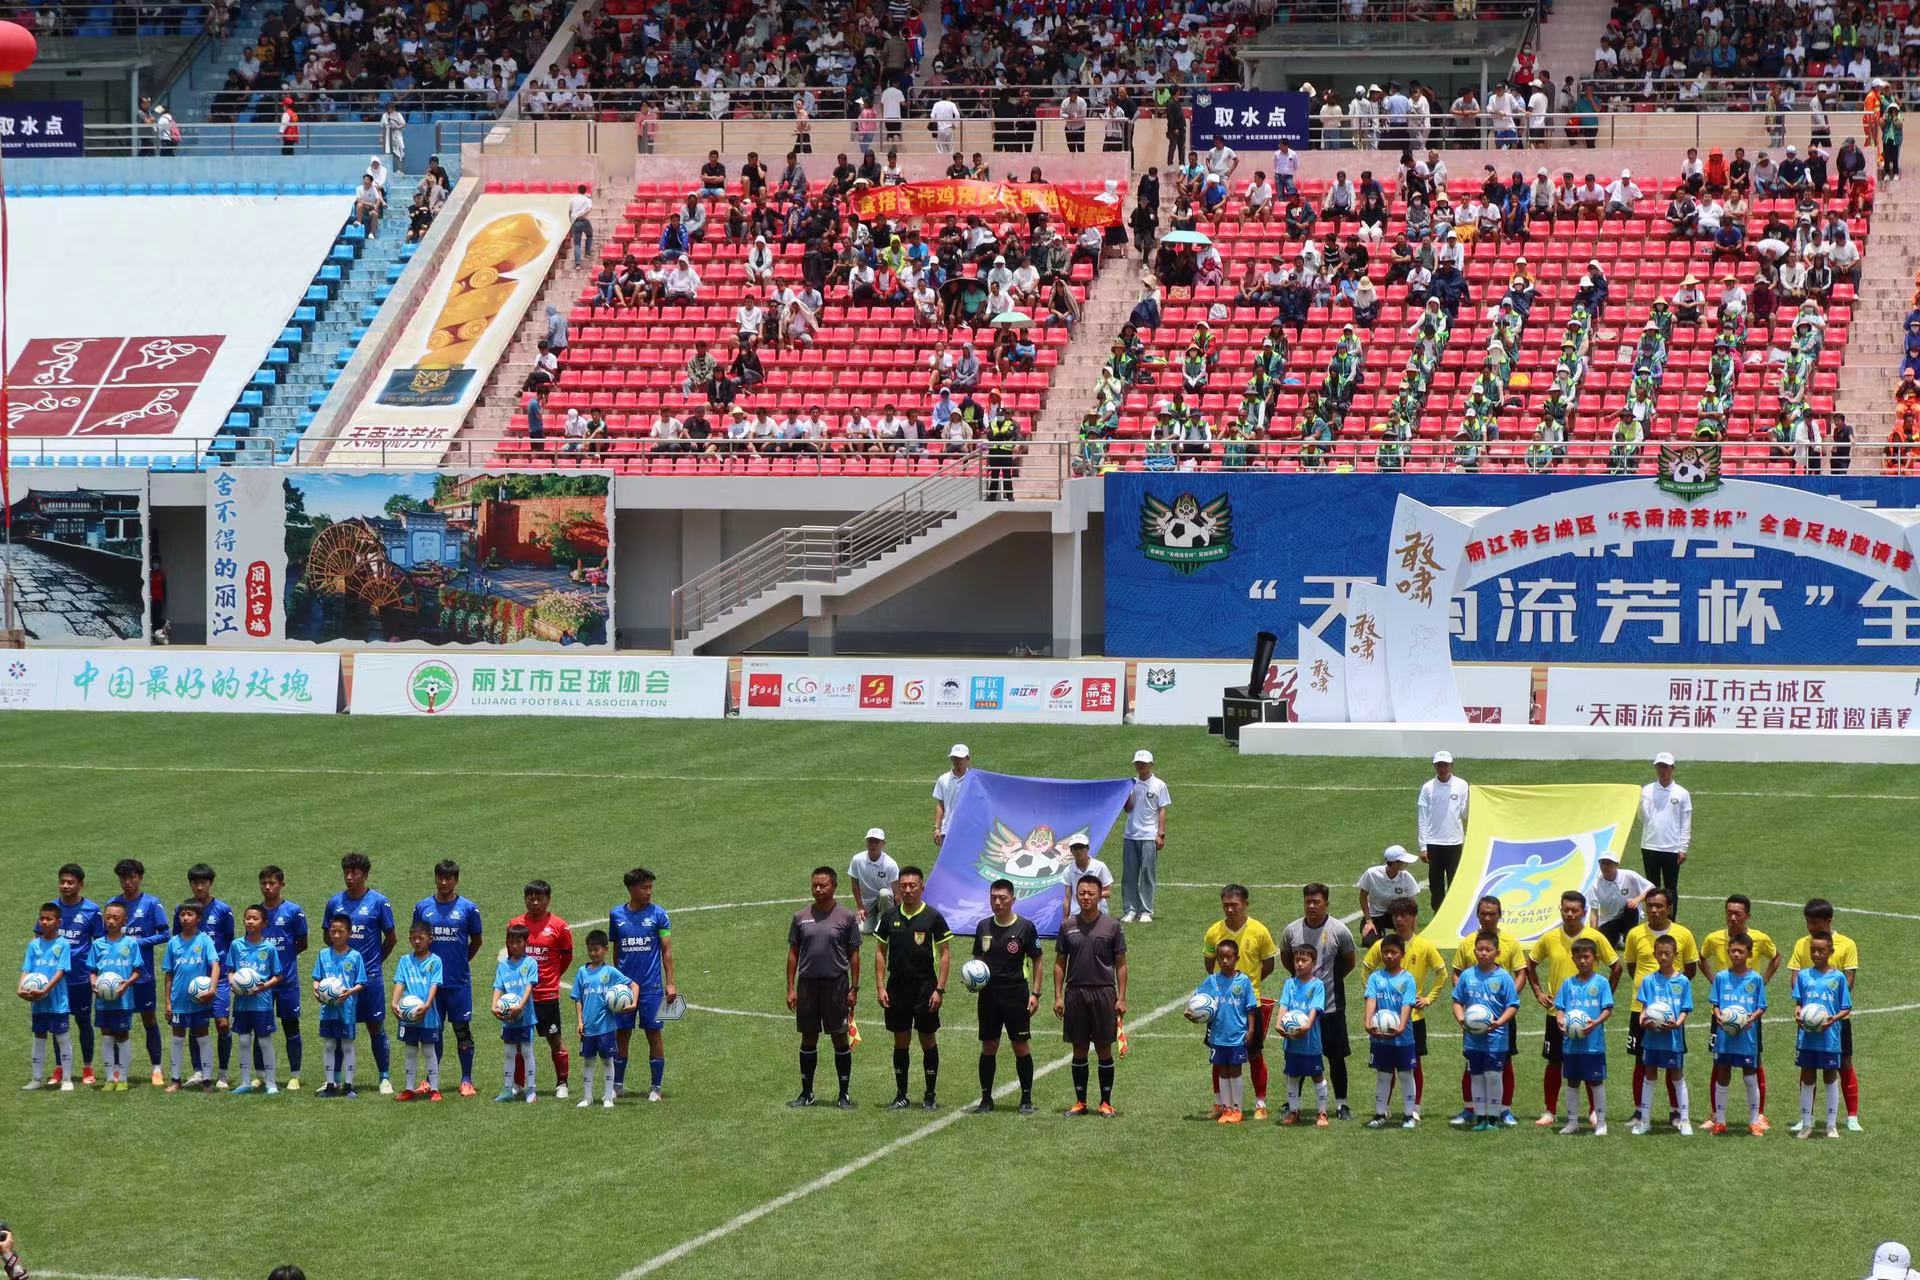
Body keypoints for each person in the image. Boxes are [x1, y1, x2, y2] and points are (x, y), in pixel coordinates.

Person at [1525, 891, 1622, 1127]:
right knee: (1554, 1062)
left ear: (1584, 912)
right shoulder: (1549, 938)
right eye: (1565, 909)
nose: (1569, 914)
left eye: (1574, 910)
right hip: (1557, 1015)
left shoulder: (1594, 937)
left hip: (1588, 1018)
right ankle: (1549, 1111)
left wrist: (1603, 997)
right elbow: (1530, 964)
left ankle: (1592, 1110)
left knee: (1588, 1061)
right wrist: (1538, 991)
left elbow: (1616, 967)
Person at [1359, 898, 1449, 1114]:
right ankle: (1385, 1107)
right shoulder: (1383, 944)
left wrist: (1428, 998)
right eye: (1396, 916)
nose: (1399, 920)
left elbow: (1442, 973)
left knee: (1413, 1063)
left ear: (1413, 918)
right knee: (1385, 1065)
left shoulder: (1424, 946)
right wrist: (1375, 997)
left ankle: (1414, 1108)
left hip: (1413, 1019)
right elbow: (1366, 970)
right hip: (1386, 1018)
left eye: (1405, 915)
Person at [873, 865, 951, 1110]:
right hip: (897, 989)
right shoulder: (890, 917)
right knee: (901, 1041)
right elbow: (880, 953)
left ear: (921, 888)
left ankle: (930, 1095)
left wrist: (939, 989)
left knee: (927, 1039)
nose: (907, 890)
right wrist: (879, 986)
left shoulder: (933, 917)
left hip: (925, 989)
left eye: (912, 886)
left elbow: (945, 954)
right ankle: (901, 1095)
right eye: (904, 886)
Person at [1620, 888, 1699, 1127]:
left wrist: (1668, 998)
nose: (1654, 910)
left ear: (1670, 908)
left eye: (1659, 906)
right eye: (1650, 905)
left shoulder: (1683, 934)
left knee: (1672, 1062)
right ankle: (1639, 1111)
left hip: (1672, 1010)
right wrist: (1651, 999)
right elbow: (1632, 967)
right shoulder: (1635, 934)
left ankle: (1676, 1112)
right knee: (1640, 1060)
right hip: (1641, 1007)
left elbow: (1690, 969)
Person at [1281, 883, 1358, 1119]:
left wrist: (1324, 987)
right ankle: (1293, 1104)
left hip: (1332, 1006)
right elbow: (1286, 959)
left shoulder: (1339, 930)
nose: (1311, 906)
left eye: (1317, 902)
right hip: (1300, 1009)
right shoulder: (1292, 931)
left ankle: (1341, 1104)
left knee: (1336, 1056)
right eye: (1308, 902)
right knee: (1299, 1054)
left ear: (1326, 903)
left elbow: (1349, 961)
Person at [1448, 895, 1525, 1127]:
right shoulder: (1468, 942)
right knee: (1473, 1065)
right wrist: (1469, 1004)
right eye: (1483, 913)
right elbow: (1457, 972)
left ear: (1500, 915)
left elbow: (1521, 972)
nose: (1488, 917)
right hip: (1474, 1017)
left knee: (1504, 1063)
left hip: (1500, 1017)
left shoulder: (1510, 943)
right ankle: (1472, 1108)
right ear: (1477, 915)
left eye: (1492, 913)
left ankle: (1503, 1110)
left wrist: (1507, 999)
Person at [1203, 885, 1279, 1119]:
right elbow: (1209, 965)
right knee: (1219, 1053)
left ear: (1245, 904)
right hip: (1220, 1006)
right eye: (1226, 904)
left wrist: (1248, 988)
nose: (1230, 909)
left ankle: (1260, 1103)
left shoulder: (1259, 931)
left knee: (1254, 1054)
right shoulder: (1214, 932)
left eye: (1234, 904)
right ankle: (1220, 1104)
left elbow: (1269, 964)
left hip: (1249, 1004)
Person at [787, 867, 861, 1109]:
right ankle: (807, 1093)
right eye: (814, 885)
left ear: (834, 887)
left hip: (836, 985)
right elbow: (793, 954)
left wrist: (854, 987)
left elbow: (854, 955)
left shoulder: (846, 917)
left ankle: (843, 1094)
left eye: (823, 885)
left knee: (840, 1037)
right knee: (808, 1038)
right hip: (807, 984)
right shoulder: (800, 917)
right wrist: (790, 988)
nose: (818, 889)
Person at [323, 852, 396, 1095]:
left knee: (375, 1025)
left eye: (355, 873)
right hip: (340, 982)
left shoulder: (379, 902)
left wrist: (372, 965)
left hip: (371, 979)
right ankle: (334, 1080)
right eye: (346, 872)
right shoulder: (335, 903)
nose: (349, 877)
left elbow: (391, 938)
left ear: (365, 875)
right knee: (340, 1029)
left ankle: (384, 1078)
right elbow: (327, 936)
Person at [1055, 874, 1127, 1117]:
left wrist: (1121, 997)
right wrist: (1058, 995)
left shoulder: (1112, 926)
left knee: (1104, 1047)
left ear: (1099, 896)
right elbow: (1059, 963)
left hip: (1103, 993)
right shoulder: (1067, 926)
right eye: (1082, 893)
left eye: (1091, 894)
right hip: (1075, 993)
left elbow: (1121, 963)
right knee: (1079, 1048)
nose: (1086, 897)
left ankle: (1105, 1102)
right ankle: (1080, 1102)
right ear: (1076, 894)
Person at [1788, 898, 1862, 1130]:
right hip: (1808, 1018)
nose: (1810, 927)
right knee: (1807, 1065)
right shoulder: (1802, 943)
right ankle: (1806, 1117)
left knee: (1844, 1062)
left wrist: (1825, 1011)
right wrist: (1804, 1009)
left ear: (1828, 921)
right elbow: (1796, 978)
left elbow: (1848, 981)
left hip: (1836, 1019)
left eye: (1815, 923)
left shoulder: (1847, 944)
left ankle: (1851, 1116)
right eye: (1808, 922)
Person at [971, 878, 1043, 1114]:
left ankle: (1026, 1099)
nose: (997, 902)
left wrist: (1035, 993)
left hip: (1016, 994)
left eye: (1002, 898)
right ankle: (985, 1099)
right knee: (989, 1045)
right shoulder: (983, 927)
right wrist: (973, 978)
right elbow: (978, 960)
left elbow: (1037, 959)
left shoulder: (1025, 927)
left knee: (1020, 1045)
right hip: (989, 996)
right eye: (993, 898)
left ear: (1013, 899)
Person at [410, 859, 482, 1097]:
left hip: (458, 982)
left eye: (448, 878)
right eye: (440, 877)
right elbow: (417, 939)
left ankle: (466, 1080)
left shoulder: (468, 909)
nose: (443, 882)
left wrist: (460, 961)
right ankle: (431, 1080)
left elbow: (476, 941)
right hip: (430, 985)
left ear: (456, 880)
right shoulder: (422, 907)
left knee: (462, 1030)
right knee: (433, 1032)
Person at [608, 868, 675, 1103]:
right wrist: (617, 981)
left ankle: (656, 1087)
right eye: (644, 888)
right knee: (622, 1034)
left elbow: (666, 951)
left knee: (654, 1034)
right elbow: (616, 950)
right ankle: (617, 1085)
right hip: (625, 988)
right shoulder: (616, 915)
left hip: (651, 988)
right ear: (631, 889)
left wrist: (670, 983)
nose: (648, 892)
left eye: (650, 887)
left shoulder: (659, 915)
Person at [508, 880, 574, 1100]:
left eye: (540, 898)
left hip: (547, 995)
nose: (535, 902)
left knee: (554, 1038)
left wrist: (553, 976)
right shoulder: (515, 924)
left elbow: (566, 956)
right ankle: (519, 1083)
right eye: (531, 898)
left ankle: (562, 1083)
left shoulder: (559, 926)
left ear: (548, 899)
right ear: (525, 898)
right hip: (521, 997)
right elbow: (512, 957)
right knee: (519, 1040)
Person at [107, 858, 170, 1087]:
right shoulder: (112, 904)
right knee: (116, 1023)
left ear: (140, 878)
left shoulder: (152, 904)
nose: (127, 882)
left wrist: (138, 943)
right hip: (115, 976)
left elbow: (165, 934)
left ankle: (156, 1068)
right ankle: (116, 1070)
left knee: (148, 1019)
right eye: (123, 878)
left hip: (142, 976)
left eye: (131, 877)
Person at [174, 865, 235, 1088]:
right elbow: (178, 940)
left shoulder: (223, 910)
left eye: (204, 882)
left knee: (221, 1023)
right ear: (190, 884)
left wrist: (227, 971)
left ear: (211, 883)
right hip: (193, 978)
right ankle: (198, 1071)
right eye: (195, 882)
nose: (200, 886)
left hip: (218, 978)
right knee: (195, 1023)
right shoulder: (183, 910)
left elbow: (230, 941)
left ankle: (223, 1073)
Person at [1631, 933, 1695, 1136]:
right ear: (1654, 954)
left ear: (1675, 954)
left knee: (1677, 1076)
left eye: (1667, 953)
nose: (1663, 957)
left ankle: (1684, 1120)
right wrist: (1643, 1020)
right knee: (1649, 1076)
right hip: (1651, 1039)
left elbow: (1685, 1008)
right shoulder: (1648, 981)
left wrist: (1677, 1023)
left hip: (1673, 1039)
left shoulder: (1683, 981)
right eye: (1660, 953)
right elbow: (1644, 1007)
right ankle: (1645, 1121)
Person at [1793, 932, 1853, 1140]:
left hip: (1830, 1038)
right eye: (1813, 950)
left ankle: (1830, 1125)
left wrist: (1833, 1018)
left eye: (1821, 950)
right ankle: (1807, 1124)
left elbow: (1846, 1007)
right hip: (1807, 1038)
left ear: (1830, 951)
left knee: (1830, 1078)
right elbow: (1799, 1001)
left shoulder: (1838, 978)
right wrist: (1798, 1011)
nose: (1816, 953)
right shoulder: (1804, 976)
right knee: (1807, 1078)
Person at [1552, 938, 1615, 1135]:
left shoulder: (1602, 982)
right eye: (1578, 957)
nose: (1583, 961)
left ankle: (1601, 1122)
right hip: (1571, 1044)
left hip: (1593, 1044)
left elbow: (1607, 1009)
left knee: (1595, 1081)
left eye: (1586, 957)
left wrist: (1595, 1023)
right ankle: (1572, 1122)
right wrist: (1560, 1022)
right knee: (1572, 1081)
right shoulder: (1568, 983)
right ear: (1573, 959)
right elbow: (1559, 1009)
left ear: (1594, 958)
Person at [1192, 938, 1258, 1124]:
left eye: (1229, 957)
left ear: (1236, 958)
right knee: (1222, 1071)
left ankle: (1237, 1109)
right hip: (1218, 1036)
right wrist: (1191, 1013)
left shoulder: (1243, 981)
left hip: (1237, 1035)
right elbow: (1197, 1001)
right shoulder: (1212, 980)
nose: (1225, 961)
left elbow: (1251, 1008)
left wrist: (1251, 1029)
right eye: (1221, 957)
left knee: (1235, 1071)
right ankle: (1226, 1109)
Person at [46, 864, 101, 1086]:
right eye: (63, 881)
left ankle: (88, 1067)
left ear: (80, 884)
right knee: (57, 1023)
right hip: (56, 979)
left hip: (81, 977)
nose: (66, 886)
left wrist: (95, 973)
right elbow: (40, 939)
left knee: (83, 1021)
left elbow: (100, 944)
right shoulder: (51, 909)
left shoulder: (92, 910)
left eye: (70, 882)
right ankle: (59, 1068)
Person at [1707, 934, 1767, 1136]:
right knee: (1723, 1075)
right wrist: (1718, 1016)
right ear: (1728, 952)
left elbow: (1761, 1006)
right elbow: (1715, 1004)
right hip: (1725, 1037)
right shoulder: (1721, 977)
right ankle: (1720, 1121)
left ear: (1749, 954)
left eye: (1741, 951)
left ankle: (1754, 1121)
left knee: (1750, 1077)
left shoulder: (1756, 979)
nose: (1736, 954)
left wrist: (1751, 1018)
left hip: (1747, 1038)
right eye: (1733, 950)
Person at [568, 929, 634, 1110]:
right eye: (590, 949)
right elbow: (578, 998)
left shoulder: (610, 972)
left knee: (607, 1061)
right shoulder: (582, 972)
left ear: (605, 949)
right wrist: (580, 1022)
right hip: (588, 1028)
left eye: (596, 949)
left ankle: (607, 1097)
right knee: (588, 1061)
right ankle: (587, 1097)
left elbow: (632, 984)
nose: (593, 953)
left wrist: (632, 1003)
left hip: (606, 1028)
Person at [256, 866, 308, 1091]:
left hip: (286, 982)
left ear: (281, 885)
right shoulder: (256, 912)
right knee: (261, 1028)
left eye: (272, 883)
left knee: (290, 1026)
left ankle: (294, 1075)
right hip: (262, 984)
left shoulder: (293, 911)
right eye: (264, 883)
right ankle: (260, 1074)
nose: (268, 887)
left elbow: (302, 942)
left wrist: (282, 962)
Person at [161, 899, 219, 1093]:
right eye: (182, 914)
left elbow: (215, 965)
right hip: (179, 1001)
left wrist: (212, 988)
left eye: (190, 914)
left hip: (200, 1001)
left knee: (203, 1037)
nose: (185, 918)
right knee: (177, 1039)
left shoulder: (204, 940)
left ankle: (207, 1080)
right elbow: (168, 974)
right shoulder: (173, 942)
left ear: (199, 918)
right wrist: (168, 1001)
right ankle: (175, 1079)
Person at [1362, 934, 1420, 1129]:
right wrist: (1368, 1022)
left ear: (1402, 954)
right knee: (1383, 1075)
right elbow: (1371, 1000)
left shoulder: (1408, 979)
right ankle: (1380, 1114)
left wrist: (1401, 1027)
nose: (1389, 956)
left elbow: (1407, 1005)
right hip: (1380, 1038)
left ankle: (1408, 1115)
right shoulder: (1375, 978)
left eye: (1393, 952)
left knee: (1405, 1075)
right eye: (1385, 952)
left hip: (1403, 1039)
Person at [225, 904, 283, 1095]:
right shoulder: (236, 945)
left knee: (265, 1042)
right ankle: (245, 1081)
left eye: (255, 918)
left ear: (264, 923)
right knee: (243, 1040)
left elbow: (278, 975)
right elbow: (230, 970)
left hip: (262, 1003)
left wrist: (263, 986)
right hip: (242, 1004)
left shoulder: (269, 948)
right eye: (247, 917)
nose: (250, 921)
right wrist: (234, 983)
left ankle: (271, 1082)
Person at [87, 901, 141, 1090]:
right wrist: (94, 982)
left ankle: (123, 1078)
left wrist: (127, 983)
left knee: (122, 1036)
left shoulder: (131, 944)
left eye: (115, 918)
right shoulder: (97, 944)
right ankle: (110, 1078)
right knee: (107, 1037)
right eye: (107, 917)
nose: (110, 921)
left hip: (123, 1000)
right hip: (102, 1001)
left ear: (124, 921)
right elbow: (92, 970)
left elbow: (137, 970)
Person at [20, 903, 73, 1092]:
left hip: (58, 1001)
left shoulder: (63, 944)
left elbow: (60, 971)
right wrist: (21, 988)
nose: (44, 922)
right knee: (39, 1037)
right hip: (39, 1003)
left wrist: (45, 990)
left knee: (62, 1038)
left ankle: (66, 1079)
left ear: (58, 922)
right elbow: (26, 970)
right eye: (42, 918)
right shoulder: (34, 945)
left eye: (49, 919)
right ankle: (36, 1078)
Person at [312, 916, 367, 1097]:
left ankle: (349, 1085)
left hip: (347, 1010)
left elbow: (361, 983)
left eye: (340, 931)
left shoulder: (355, 956)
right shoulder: (323, 954)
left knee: (347, 1046)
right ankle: (330, 1084)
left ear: (349, 933)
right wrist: (317, 990)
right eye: (332, 931)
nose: (336, 934)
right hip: (327, 1010)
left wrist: (349, 992)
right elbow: (317, 979)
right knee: (328, 1045)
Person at [1275, 944, 1329, 1125]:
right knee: (1292, 1075)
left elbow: (1315, 1008)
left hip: (1310, 1042)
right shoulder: (1289, 984)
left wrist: (1306, 1027)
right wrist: (1278, 1023)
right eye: (1296, 960)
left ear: (1313, 963)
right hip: (1291, 1042)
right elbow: (1284, 1005)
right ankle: (1293, 1111)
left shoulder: (1318, 985)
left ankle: (1322, 1113)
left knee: (1317, 1075)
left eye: (1303, 960)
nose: (1299, 964)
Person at [390, 921, 443, 1102]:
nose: (417, 941)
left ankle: (434, 1088)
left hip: (427, 1016)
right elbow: (399, 983)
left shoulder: (435, 961)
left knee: (429, 1050)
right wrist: (394, 1002)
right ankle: (409, 1088)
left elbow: (434, 984)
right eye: (414, 938)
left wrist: (427, 1004)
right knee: (410, 1051)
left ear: (430, 939)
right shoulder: (405, 960)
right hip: (408, 1016)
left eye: (421, 938)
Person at [1120, 749, 1170, 924]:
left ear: (1151, 764)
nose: (1141, 766)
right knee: (1129, 875)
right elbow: (1128, 809)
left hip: (1149, 835)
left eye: (1144, 763)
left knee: (1148, 874)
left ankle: (1146, 910)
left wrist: (1160, 834)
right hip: (1131, 835)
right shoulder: (1130, 784)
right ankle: (1130, 910)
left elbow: (1162, 809)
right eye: (1138, 763)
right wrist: (1126, 794)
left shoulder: (1159, 785)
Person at [492, 922, 540, 1103]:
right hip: (508, 1018)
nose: (514, 945)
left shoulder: (530, 963)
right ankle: (507, 1088)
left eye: (518, 942)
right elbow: (498, 986)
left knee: (527, 1051)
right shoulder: (503, 966)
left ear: (525, 942)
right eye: (511, 942)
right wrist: (494, 1005)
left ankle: (531, 1090)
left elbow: (529, 986)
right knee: (509, 1052)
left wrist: (520, 1005)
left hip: (525, 1016)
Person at [1639, 752, 1692, 913]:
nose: (1662, 770)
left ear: (1672, 769)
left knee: (1671, 889)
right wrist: (1640, 805)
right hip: (1650, 845)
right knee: (1651, 887)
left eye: (1666, 767)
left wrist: (1683, 847)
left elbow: (1686, 822)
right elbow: (1643, 818)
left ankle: (1670, 922)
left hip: (1672, 848)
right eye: (1659, 766)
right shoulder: (1646, 790)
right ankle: (1653, 920)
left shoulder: (1682, 793)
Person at [1416, 750, 1468, 910]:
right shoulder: (1427, 788)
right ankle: (1437, 915)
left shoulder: (1462, 785)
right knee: (1436, 885)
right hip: (1434, 843)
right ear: (1434, 766)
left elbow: (1465, 813)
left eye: (1445, 765)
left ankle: (1454, 914)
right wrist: (1423, 846)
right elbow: (1422, 817)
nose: (1442, 768)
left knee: (1455, 882)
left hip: (1455, 842)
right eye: (1439, 765)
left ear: (1451, 765)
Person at [1356, 845, 1420, 941]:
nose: (1406, 863)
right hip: (1375, 915)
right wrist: (1369, 921)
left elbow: (1412, 908)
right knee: (1370, 941)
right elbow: (1363, 897)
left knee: (1404, 940)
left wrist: (1414, 936)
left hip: (1397, 915)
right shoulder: (1371, 874)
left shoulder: (1407, 877)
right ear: (1393, 863)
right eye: (1403, 861)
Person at [1589, 851, 1651, 946]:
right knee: (1607, 943)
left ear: (1616, 864)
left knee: (1631, 907)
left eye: (1609, 863)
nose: (1605, 867)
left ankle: (1629, 938)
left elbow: (1651, 887)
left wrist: (1637, 900)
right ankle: (1618, 939)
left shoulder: (1630, 875)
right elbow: (1594, 912)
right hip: (1608, 920)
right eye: (1602, 863)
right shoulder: (1595, 885)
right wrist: (1594, 935)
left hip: (1629, 915)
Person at [848, 828, 900, 936]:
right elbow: (854, 885)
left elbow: (897, 892)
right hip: (867, 903)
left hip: (885, 900)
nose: (873, 844)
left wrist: (900, 915)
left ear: (883, 844)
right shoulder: (857, 860)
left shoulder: (890, 864)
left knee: (884, 893)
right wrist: (860, 907)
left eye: (877, 841)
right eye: (870, 841)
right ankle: (876, 921)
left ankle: (887, 922)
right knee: (863, 930)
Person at [932, 744, 970, 847]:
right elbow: (940, 805)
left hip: (969, 831)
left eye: (960, 758)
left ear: (967, 759)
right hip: (947, 830)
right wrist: (936, 828)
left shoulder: (974, 780)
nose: (957, 761)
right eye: (955, 758)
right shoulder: (943, 779)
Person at [568, 183, 594, 268]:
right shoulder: (587, 199)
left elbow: (570, 212)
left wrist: (571, 222)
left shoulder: (572, 199)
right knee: (589, 235)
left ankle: (578, 264)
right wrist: (582, 215)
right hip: (584, 221)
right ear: (585, 191)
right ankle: (587, 252)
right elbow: (589, 209)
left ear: (578, 190)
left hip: (575, 222)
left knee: (577, 244)